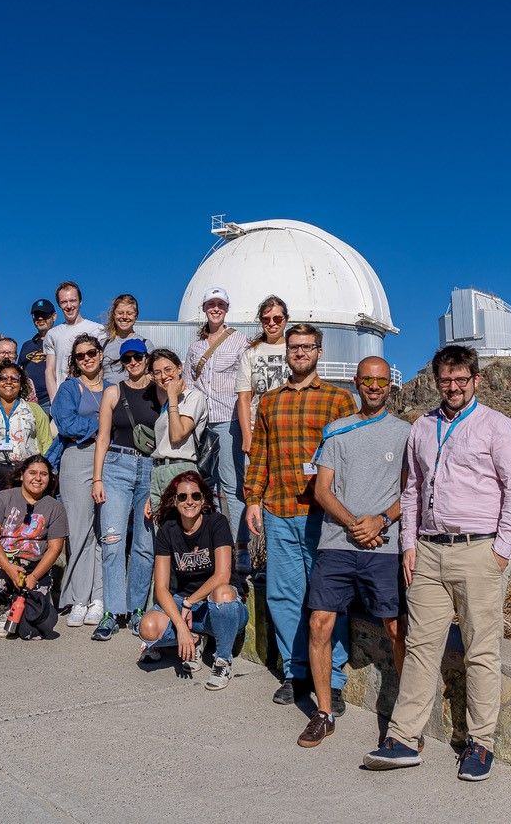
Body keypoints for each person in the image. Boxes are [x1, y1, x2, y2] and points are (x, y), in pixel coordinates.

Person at [363, 345, 511, 782]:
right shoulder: (422, 427)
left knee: (481, 650)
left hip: (479, 551)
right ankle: (403, 738)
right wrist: (408, 544)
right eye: (446, 380)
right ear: (437, 381)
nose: (453, 388)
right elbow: (413, 491)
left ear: (476, 380)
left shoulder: (497, 427)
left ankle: (480, 743)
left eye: (461, 380)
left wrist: (501, 551)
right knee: (421, 648)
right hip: (428, 551)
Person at [298, 357, 410, 748]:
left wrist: (379, 520)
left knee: (397, 629)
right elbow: (322, 490)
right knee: (319, 625)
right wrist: (353, 524)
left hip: (384, 545)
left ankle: (405, 721)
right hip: (337, 544)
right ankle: (324, 713)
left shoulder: (405, 434)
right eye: (368, 380)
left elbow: (410, 491)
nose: (375, 386)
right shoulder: (337, 432)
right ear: (356, 382)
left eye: (381, 380)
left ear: (389, 385)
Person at [244, 324, 356, 707]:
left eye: (308, 347)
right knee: (283, 595)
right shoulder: (271, 401)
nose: (300, 352)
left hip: (321, 515)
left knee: (328, 597)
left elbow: (349, 457)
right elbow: (260, 453)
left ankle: (334, 679)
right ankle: (297, 673)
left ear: (319, 352)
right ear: (287, 352)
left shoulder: (339, 400)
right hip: (278, 510)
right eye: (294, 347)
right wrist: (253, 499)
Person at [137, 471, 249, 691]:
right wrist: (181, 626)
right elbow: (160, 588)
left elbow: (222, 576)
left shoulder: (217, 522)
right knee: (147, 627)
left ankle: (223, 660)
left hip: (220, 605)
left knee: (223, 592)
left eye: (195, 496)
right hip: (186, 606)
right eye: (183, 497)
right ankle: (195, 640)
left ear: (203, 499)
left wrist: (189, 603)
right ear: (174, 501)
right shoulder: (168, 531)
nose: (190, 502)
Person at [90, 339, 158, 640]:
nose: (133, 363)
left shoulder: (159, 390)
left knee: (144, 545)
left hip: (151, 469)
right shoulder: (113, 392)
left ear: (146, 358)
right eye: (127, 358)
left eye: (138, 357)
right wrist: (97, 478)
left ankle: (136, 609)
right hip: (117, 466)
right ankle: (112, 611)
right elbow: (102, 437)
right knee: (114, 540)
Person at [184, 287, 250, 557]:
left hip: (228, 421)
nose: (215, 309)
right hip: (201, 426)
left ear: (226, 308)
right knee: (205, 487)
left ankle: (241, 550)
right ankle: (210, 547)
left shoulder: (240, 341)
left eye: (220, 304)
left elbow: (247, 382)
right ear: (203, 308)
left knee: (233, 486)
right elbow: (188, 386)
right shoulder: (195, 348)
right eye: (211, 304)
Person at [0, 455, 66, 639]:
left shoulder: (56, 508)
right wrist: (9, 567)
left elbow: (55, 548)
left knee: (39, 628)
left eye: (44, 474)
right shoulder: (3, 498)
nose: (38, 478)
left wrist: (34, 576)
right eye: (32, 473)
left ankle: (18, 604)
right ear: (22, 475)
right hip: (4, 561)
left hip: (34, 568)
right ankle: (3, 609)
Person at [48, 333, 109, 625]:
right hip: (78, 457)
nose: (87, 358)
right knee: (79, 530)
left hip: (110, 459)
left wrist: (101, 429)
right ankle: (78, 598)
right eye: (80, 356)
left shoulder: (113, 387)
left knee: (104, 530)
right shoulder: (70, 388)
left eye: (91, 353)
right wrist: (103, 423)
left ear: (100, 354)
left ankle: (98, 597)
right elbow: (67, 424)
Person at [0, 360, 53, 510]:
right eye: (3, 378)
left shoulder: (34, 410)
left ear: (21, 384)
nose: (9, 382)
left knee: (25, 523)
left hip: (26, 474)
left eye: (14, 379)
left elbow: (47, 444)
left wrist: (48, 476)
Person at [148, 349, 208, 509]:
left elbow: (177, 435)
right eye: (157, 372)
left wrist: (173, 396)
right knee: (160, 531)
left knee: (180, 530)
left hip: (180, 469)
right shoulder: (165, 404)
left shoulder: (193, 397)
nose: (163, 376)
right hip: (158, 470)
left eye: (168, 370)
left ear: (179, 368)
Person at [236, 295, 291, 455]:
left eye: (277, 318)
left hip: (292, 428)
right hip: (261, 431)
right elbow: (244, 398)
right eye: (266, 319)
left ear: (286, 319)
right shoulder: (251, 353)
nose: (272, 323)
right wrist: (247, 437)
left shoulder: (295, 349)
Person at [43, 281, 105, 403]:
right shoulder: (52, 334)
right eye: (64, 302)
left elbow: (102, 366)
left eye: (73, 300)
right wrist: (54, 401)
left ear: (80, 301)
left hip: (91, 398)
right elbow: (50, 371)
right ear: (59, 305)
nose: (69, 305)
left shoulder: (97, 330)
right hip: (64, 400)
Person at [99, 293, 151, 380]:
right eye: (120, 313)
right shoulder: (103, 344)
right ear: (114, 314)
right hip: (107, 392)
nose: (124, 317)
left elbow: (150, 374)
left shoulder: (145, 344)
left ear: (136, 315)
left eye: (129, 313)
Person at [19, 299, 56, 412]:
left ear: (54, 316)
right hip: (27, 402)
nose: (40, 318)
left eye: (44, 314)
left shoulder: (60, 339)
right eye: (36, 315)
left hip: (51, 401)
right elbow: (19, 371)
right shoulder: (27, 345)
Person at [0, 338, 39, 404]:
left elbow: (33, 405)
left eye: (10, 353)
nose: (6, 356)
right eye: (2, 352)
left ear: (16, 356)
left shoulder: (28, 383)